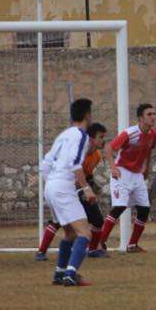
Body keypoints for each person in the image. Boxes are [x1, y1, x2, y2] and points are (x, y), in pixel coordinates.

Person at [40, 98, 97, 286]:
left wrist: (51, 185)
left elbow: (46, 163)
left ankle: (60, 272)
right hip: (63, 187)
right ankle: (71, 274)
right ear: (87, 115)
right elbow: (75, 164)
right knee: (85, 233)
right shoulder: (82, 136)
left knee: (70, 233)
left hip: (51, 186)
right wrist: (86, 188)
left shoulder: (63, 135)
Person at [35, 123, 108, 261]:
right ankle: (41, 251)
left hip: (80, 189)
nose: (104, 140)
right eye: (101, 137)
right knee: (59, 223)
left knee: (97, 220)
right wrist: (85, 187)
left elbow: (86, 174)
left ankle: (92, 250)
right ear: (91, 138)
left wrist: (90, 184)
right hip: (66, 188)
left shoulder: (97, 156)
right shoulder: (78, 151)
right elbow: (71, 168)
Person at [98, 104, 156, 252]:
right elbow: (109, 148)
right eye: (149, 114)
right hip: (122, 173)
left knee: (144, 209)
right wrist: (113, 167)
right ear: (140, 118)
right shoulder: (129, 133)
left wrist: (147, 167)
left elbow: (149, 150)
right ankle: (99, 243)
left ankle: (132, 245)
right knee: (119, 207)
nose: (153, 117)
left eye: (153, 114)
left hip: (137, 175)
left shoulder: (153, 134)